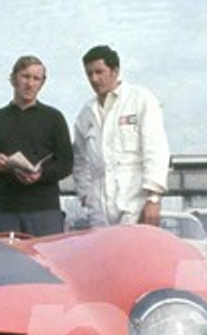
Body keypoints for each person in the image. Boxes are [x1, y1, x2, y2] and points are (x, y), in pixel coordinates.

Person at [0, 55, 74, 237]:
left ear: (42, 83)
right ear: (13, 79)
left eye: (36, 79)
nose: (30, 84)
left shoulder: (54, 118)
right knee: (7, 265)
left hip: (45, 211)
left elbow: (66, 164)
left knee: (46, 264)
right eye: (25, 76)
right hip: (6, 211)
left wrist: (41, 174)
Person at [71, 44, 170, 227]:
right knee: (102, 255)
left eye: (100, 72)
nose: (94, 79)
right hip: (99, 209)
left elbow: (155, 150)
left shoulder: (140, 100)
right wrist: (86, 195)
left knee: (135, 255)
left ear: (115, 71)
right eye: (89, 73)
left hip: (135, 204)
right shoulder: (86, 113)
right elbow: (79, 159)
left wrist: (153, 198)